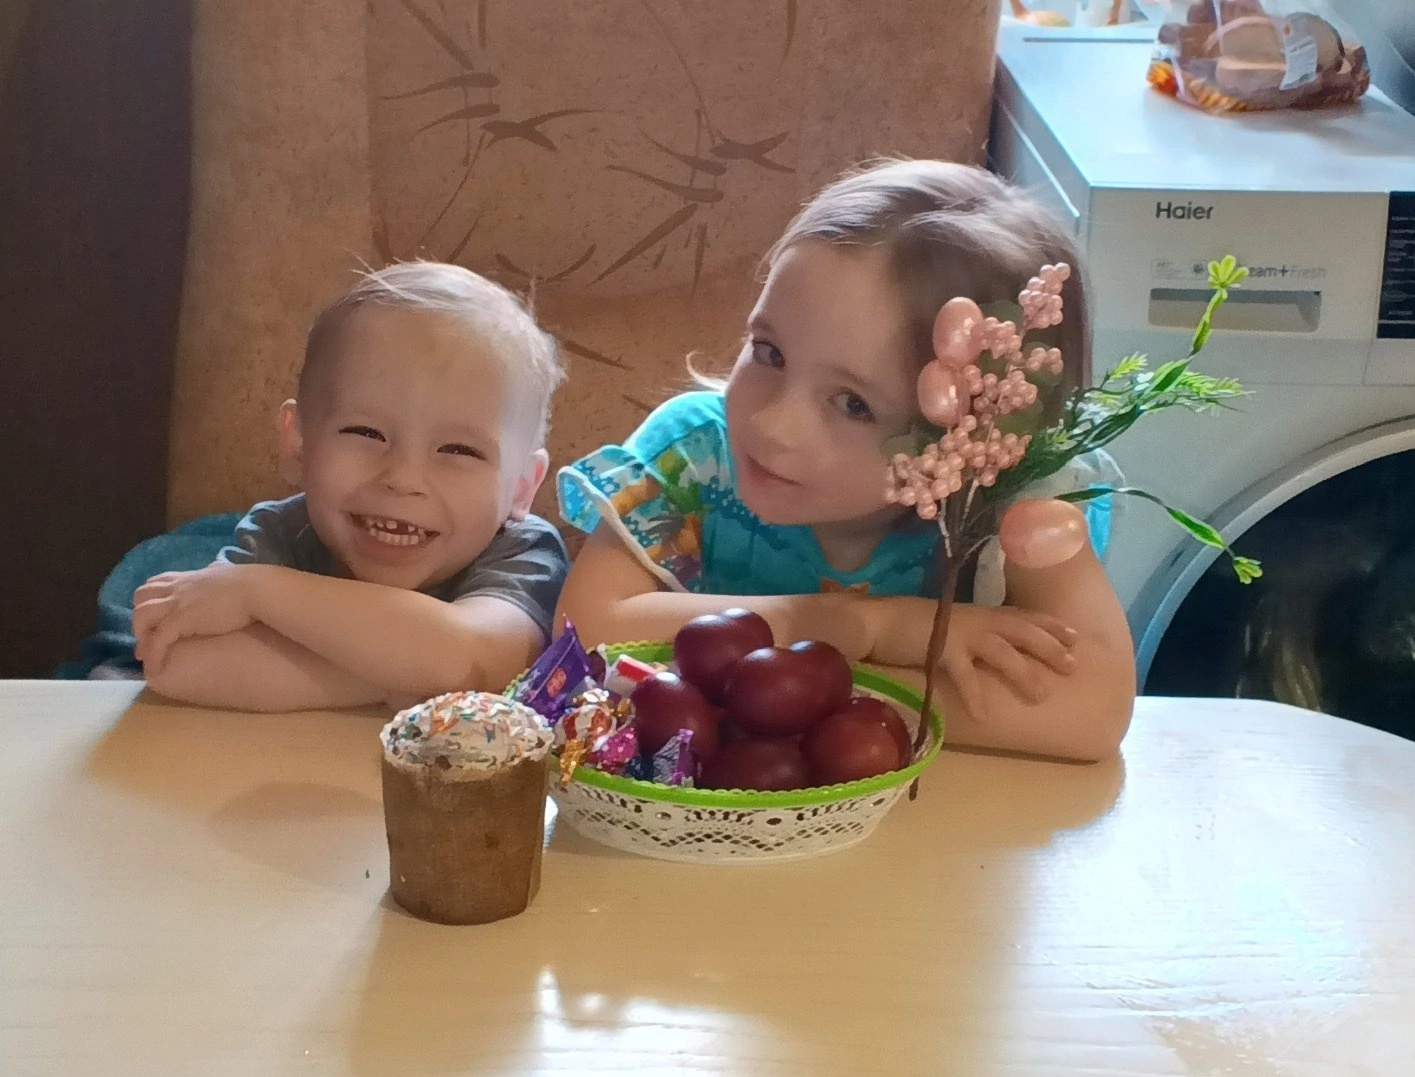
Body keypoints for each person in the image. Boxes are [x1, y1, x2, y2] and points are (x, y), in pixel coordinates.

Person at [556, 161, 1134, 760]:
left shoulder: (1016, 509)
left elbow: (1091, 713)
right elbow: (585, 636)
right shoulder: (693, 455)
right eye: (769, 352)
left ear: (975, 442)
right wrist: (872, 628)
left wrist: (785, 694)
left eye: (854, 404)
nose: (773, 423)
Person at [133, 262, 569, 712]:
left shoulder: (521, 551)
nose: (403, 478)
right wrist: (410, 675)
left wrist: (258, 593)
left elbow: (483, 659)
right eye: (366, 432)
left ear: (521, 487)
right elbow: (176, 661)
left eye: (459, 450)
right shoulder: (285, 533)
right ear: (298, 444)